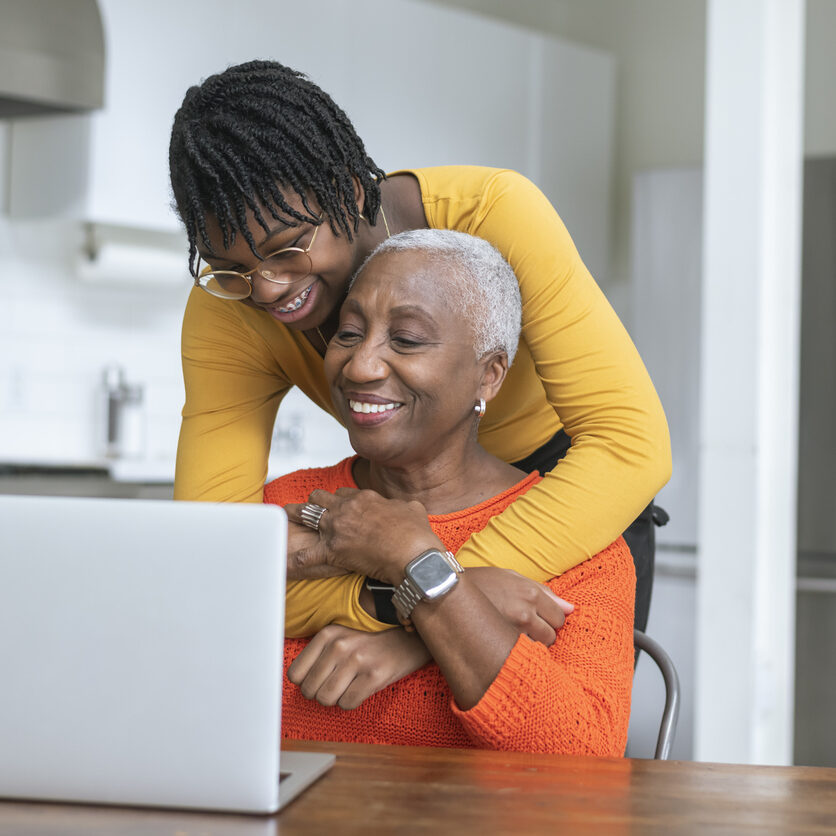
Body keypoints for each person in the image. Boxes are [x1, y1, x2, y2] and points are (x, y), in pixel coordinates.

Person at [168, 60, 670, 636]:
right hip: (399, 522)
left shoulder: (493, 215)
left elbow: (630, 447)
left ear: (349, 192)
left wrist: (432, 597)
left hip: (567, 496)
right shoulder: (226, 306)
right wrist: (398, 602)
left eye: (288, 250)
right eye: (231, 268)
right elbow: (210, 553)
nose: (267, 290)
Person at [266, 230, 635, 755]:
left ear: (489, 375)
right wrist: (458, 593)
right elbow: (188, 657)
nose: (359, 366)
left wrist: (412, 553)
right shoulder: (284, 503)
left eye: (407, 339)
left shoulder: (580, 544)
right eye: (348, 334)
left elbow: (579, 759)